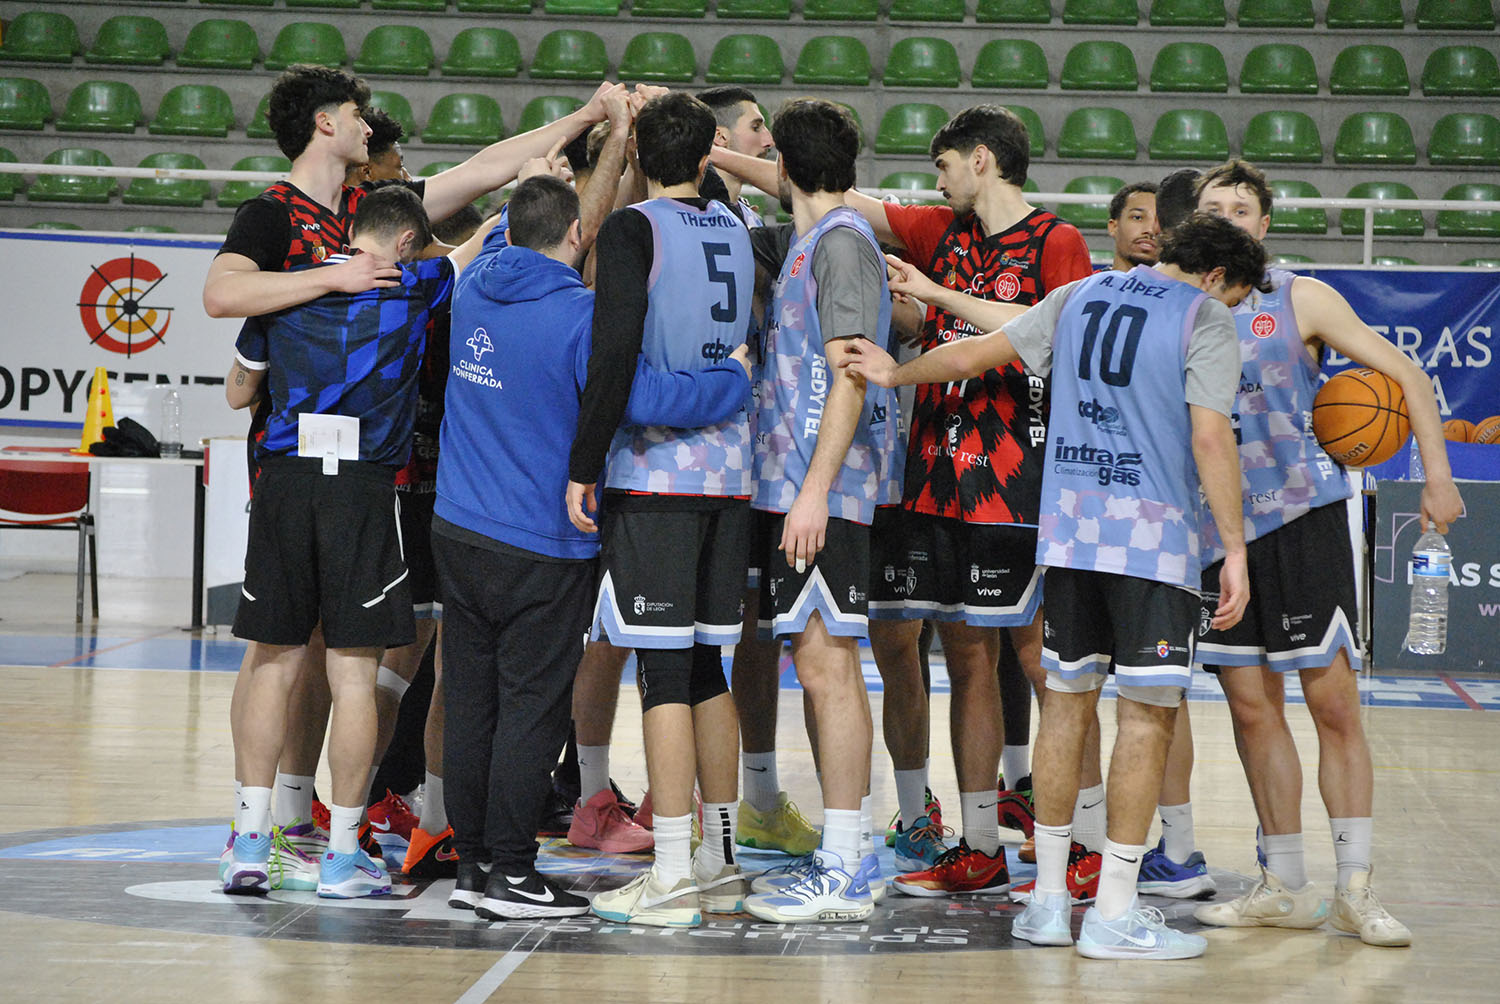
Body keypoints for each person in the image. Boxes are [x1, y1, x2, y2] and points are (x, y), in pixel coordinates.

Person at [846, 212, 1264, 959]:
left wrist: (895, 372)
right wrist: (1233, 548)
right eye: (1236, 297)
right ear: (1216, 278)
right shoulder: (1204, 317)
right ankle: (1111, 914)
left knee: (1066, 708)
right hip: (1152, 542)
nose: (1233, 309)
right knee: (1146, 719)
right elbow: (1209, 436)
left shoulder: (1082, 297)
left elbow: (976, 351)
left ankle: (1044, 905)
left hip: (1068, 535)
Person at [719, 105, 1095, 893]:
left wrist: (934, 298)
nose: (937, 179)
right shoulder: (935, 229)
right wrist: (727, 158)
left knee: (1039, 659)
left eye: (945, 164)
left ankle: (1083, 840)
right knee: (959, 655)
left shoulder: (1056, 241)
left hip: (1017, 475)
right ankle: (977, 838)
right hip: (925, 474)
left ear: (981, 160)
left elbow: (1053, 332)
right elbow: (832, 190)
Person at [434, 173, 753, 918]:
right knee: (531, 711)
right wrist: (731, 380)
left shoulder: (475, 284)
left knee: (471, 700)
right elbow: (643, 395)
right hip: (540, 541)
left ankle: (474, 863)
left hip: (457, 528)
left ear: (510, 230)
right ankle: (514, 873)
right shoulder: (582, 315)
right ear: (577, 237)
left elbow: (489, 238)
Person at [1191, 160, 1464, 947]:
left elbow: (1406, 374)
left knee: (1332, 704)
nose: (1230, 217)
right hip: (1216, 530)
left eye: (1242, 208)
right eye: (1214, 208)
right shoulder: (1177, 301)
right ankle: (1282, 881)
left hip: (1306, 515)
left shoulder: (1299, 295)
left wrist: (1436, 479)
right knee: (1250, 708)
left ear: (1265, 224)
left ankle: (1356, 886)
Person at [220, 186, 495, 899]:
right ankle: (343, 856)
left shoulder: (283, 290)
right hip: (364, 493)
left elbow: (237, 391)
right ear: (407, 241)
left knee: (272, 662)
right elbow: (481, 242)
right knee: (351, 676)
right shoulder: (416, 286)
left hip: (283, 485)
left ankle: (250, 845)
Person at [566, 93, 756, 929]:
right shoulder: (739, 229)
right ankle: (720, 860)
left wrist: (581, 464)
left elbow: (612, 355)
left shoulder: (634, 227)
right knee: (710, 669)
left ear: (637, 149)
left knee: (662, 675)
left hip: (656, 476)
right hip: (733, 474)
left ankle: (673, 871)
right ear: (709, 155)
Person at [726, 98, 898, 923]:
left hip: (821, 493)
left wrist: (817, 490)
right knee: (821, 662)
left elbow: (853, 373)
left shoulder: (839, 244)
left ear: (784, 171)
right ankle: (843, 855)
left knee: (829, 668)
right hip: (800, 486)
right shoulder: (814, 239)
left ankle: (845, 863)